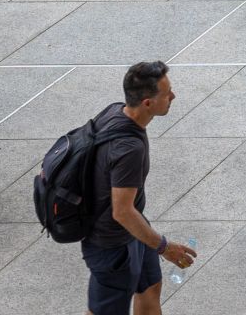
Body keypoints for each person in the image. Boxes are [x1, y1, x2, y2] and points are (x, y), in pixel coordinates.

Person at [74, 61, 197, 314]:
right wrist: (165, 247)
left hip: (133, 231)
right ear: (148, 103)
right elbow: (122, 211)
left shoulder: (115, 111)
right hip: (112, 244)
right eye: (167, 93)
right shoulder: (130, 149)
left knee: (150, 287)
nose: (173, 96)